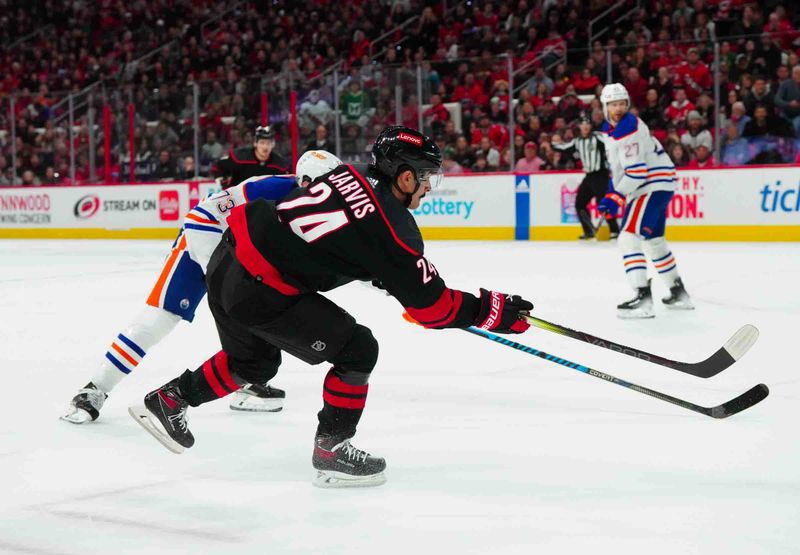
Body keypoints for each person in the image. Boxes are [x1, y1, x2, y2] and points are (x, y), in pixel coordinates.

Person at [129, 126, 534, 488]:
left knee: (253, 364)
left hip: (226, 260)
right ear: (406, 176)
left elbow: (339, 234)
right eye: (427, 178)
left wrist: (386, 275)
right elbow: (433, 308)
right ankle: (332, 450)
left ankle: (169, 399)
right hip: (262, 290)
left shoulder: (349, 173)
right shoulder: (395, 229)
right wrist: (492, 310)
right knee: (359, 349)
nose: (429, 188)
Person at [61, 151, 343, 424]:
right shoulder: (271, 187)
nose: (332, 194)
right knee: (160, 318)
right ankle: (94, 389)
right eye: (326, 186)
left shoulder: (318, 205)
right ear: (305, 182)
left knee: (261, 305)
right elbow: (200, 217)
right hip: (203, 241)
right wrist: (225, 272)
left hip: (239, 253)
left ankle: (249, 381)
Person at [597, 84, 693, 319]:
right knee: (654, 241)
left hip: (649, 186)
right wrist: (612, 191)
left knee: (628, 238)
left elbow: (637, 173)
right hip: (660, 185)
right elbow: (620, 169)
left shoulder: (628, 129)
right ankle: (678, 292)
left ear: (627, 105)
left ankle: (642, 298)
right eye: (613, 104)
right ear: (605, 106)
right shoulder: (613, 130)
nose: (618, 108)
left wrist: (616, 196)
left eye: (621, 103)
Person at [552, 117, 620, 240]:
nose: (585, 126)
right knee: (579, 204)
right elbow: (564, 148)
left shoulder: (598, 137)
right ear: (579, 127)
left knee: (603, 204)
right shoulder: (577, 141)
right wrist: (553, 143)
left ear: (590, 126)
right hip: (589, 177)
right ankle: (589, 231)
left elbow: (612, 142)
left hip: (601, 175)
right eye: (583, 124)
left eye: (587, 124)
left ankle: (615, 230)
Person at [213, 126, 290, 189]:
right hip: (239, 199)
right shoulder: (240, 157)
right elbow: (218, 166)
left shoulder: (279, 164)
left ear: (273, 145)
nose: (265, 147)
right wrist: (221, 180)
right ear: (255, 143)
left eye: (268, 143)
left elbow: (286, 182)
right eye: (262, 143)